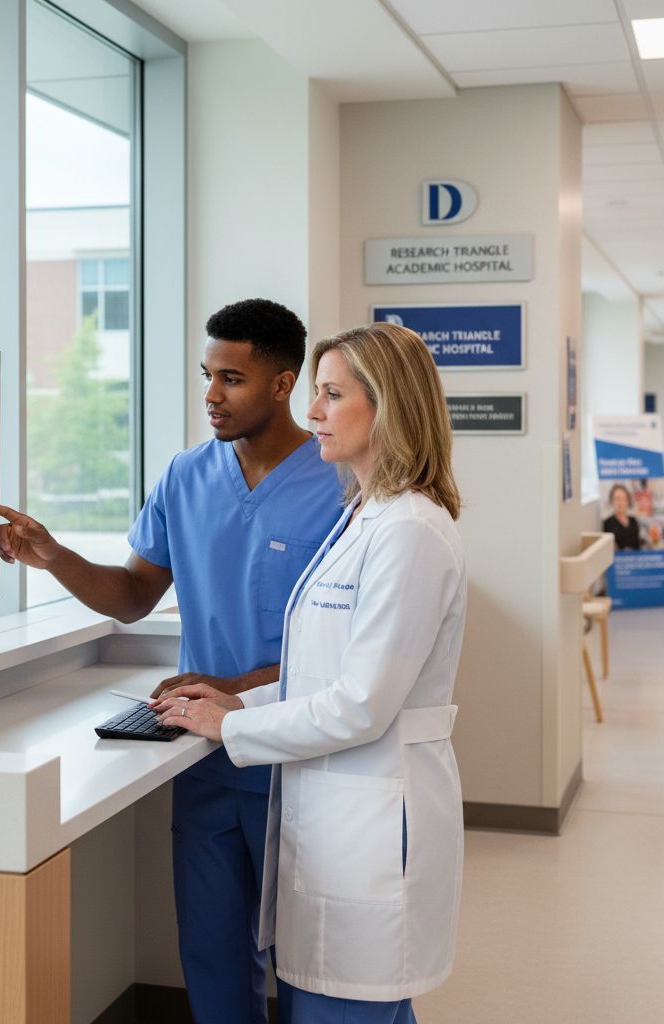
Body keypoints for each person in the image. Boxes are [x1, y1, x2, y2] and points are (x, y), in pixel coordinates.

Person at [0, 298, 343, 1024]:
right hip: (205, 759)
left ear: (283, 384)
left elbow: (345, 648)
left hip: (303, 753)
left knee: (312, 963)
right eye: (207, 376)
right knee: (212, 951)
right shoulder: (186, 476)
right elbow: (131, 598)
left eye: (232, 379)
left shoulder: (340, 484)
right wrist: (53, 556)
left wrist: (232, 687)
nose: (211, 395)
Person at [154, 322, 467, 1024]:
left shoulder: (409, 531)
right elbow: (320, 673)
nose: (315, 411)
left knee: (345, 1006)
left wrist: (232, 721)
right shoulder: (363, 515)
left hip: (371, 826)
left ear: (385, 407)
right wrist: (232, 695)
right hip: (336, 818)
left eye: (331, 394)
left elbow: (360, 705)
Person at [602, 483, 641, 550]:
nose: (620, 502)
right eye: (617, 499)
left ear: (628, 501)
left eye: (623, 499)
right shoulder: (607, 523)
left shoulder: (633, 521)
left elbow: (637, 545)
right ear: (612, 501)